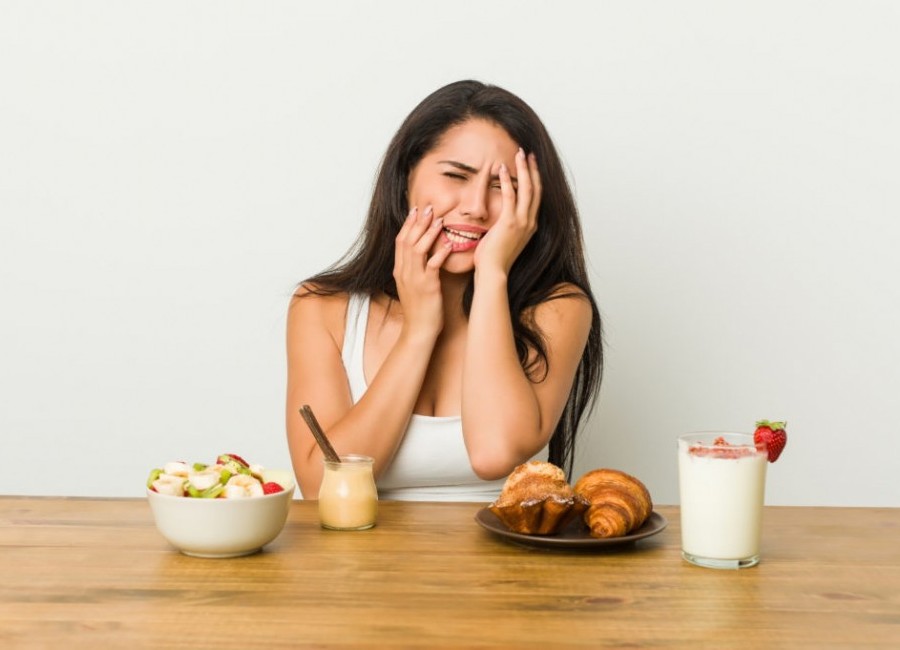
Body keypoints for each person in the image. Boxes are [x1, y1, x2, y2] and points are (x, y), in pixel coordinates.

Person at [286, 80, 603, 501]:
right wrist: (420, 330)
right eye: (456, 175)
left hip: (509, 567)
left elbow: (494, 453)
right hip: (362, 567)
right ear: (405, 177)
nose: (476, 206)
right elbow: (322, 487)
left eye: (502, 186)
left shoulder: (557, 308)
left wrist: (493, 274)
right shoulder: (322, 308)